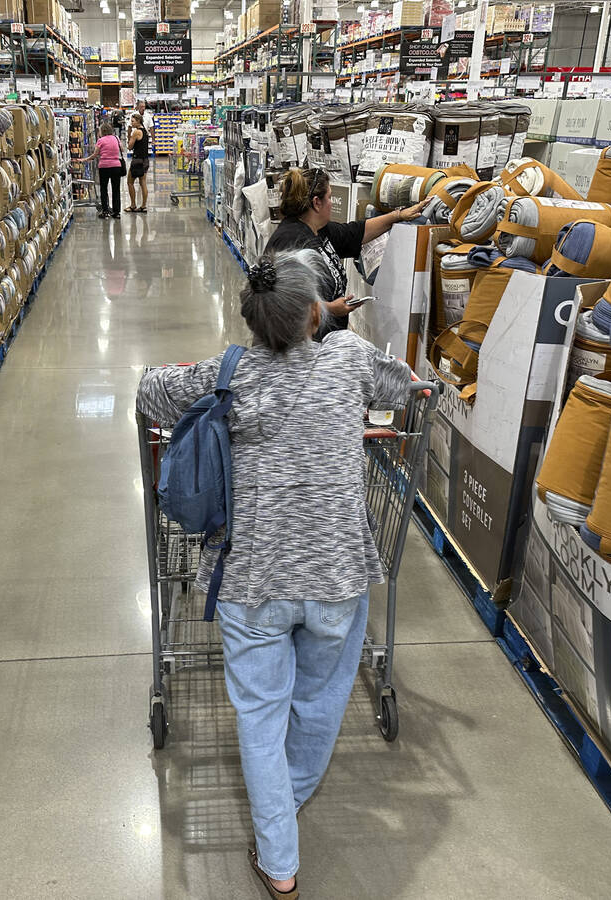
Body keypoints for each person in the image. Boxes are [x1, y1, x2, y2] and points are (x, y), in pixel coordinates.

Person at [136, 250, 414, 900]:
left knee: (260, 715)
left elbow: (152, 392)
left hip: (251, 576)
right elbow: (403, 388)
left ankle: (281, 864)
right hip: (336, 570)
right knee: (317, 701)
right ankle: (283, 813)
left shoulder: (227, 371)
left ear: (254, 318)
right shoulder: (348, 361)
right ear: (315, 311)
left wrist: (176, 374)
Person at [265, 166, 428, 339]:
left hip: (324, 345)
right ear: (316, 202)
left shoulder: (318, 230)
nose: (331, 202)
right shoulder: (291, 243)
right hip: (300, 351)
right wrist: (331, 309)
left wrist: (398, 216)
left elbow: (356, 233)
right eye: (329, 197)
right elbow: (284, 304)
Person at [81, 122, 123, 219]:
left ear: (102, 131)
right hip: (116, 166)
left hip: (104, 167)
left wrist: (85, 159)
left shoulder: (100, 140)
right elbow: (122, 149)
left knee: (104, 189)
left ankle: (105, 211)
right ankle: (116, 212)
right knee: (116, 189)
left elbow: (95, 154)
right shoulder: (116, 138)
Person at [125, 113, 150, 213]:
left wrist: (129, 136)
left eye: (133, 121)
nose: (131, 123)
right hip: (145, 160)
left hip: (137, 160)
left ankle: (133, 205)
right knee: (143, 183)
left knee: (130, 182)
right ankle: (143, 206)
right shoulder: (145, 131)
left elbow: (130, 147)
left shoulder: (136, 132)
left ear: (138, 121)